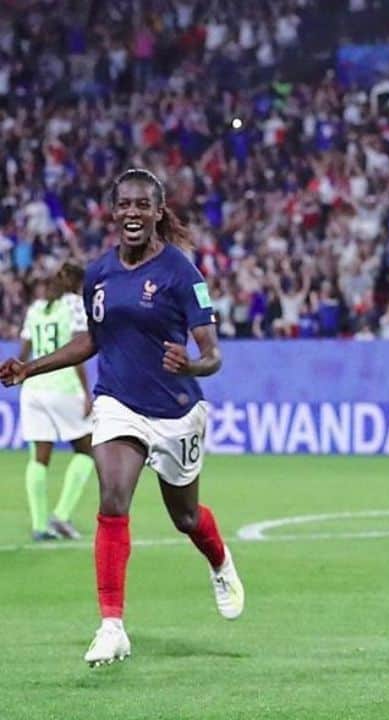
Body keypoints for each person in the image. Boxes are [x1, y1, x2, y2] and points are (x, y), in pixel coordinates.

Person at [0, 168, 244, 667]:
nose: (132, 213)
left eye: (142, 205)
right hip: (116, 403)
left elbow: (213, 354)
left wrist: (191, 364)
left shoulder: (182, 273)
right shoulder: (99, 273)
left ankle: (219, 560)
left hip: (175, 411)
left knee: (185, 517)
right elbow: (93, 339)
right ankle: (112, 626)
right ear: (114, 212)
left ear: (157, 213)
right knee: (113, 498)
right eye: (124, 204)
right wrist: (31, 367)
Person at [18, 263, 96, 541]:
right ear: (77, 284)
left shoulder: (36, 308)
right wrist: (87, 393)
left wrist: (24, 374)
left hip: (33, 389)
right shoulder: (74, 305)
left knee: (39, 458)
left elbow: (24, 350)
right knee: (88, 450)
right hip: (62, 387)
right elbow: (76, 350)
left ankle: (40, 526)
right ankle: (61, 516)